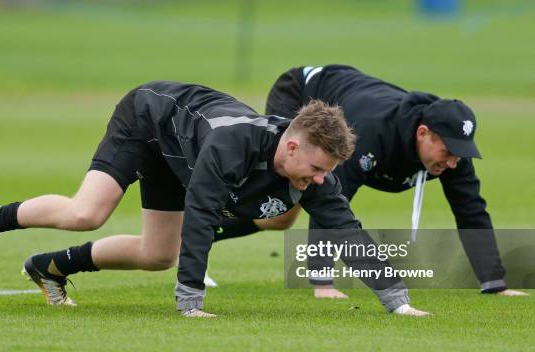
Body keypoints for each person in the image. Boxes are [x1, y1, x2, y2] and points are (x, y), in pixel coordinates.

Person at [0, 81, 429, 316]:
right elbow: (200, 214)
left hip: (185, 155)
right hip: (148, 123)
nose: (321, 180)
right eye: (318, 169)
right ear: (293, 145)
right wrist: (191, 302)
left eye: (328, 172)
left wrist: (396, 301)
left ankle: (49, 267)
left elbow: (346, 229)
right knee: (86, 213)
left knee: (157, 255)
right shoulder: (234, 145)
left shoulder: (312, 172)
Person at [212, 64, 528, 298]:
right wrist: (322, 281)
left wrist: (494, 282)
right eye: (447, 152)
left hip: (351, 95)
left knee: (281, 215)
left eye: (460, 154)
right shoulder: (373, 135)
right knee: (286, 199)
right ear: (422, 134)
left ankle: (197, 229)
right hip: (301, 92)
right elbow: (333, 199)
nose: (453, 161)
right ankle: (200, 220)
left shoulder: (452, 152)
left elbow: (470, 209)